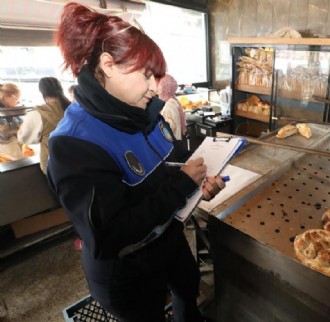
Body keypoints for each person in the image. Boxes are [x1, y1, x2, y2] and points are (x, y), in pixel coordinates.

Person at [47, 3, 225, 322]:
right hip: (126, 268)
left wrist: (197, 183)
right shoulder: (75, 144)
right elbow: (109, 235)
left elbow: (168, 164)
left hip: (167, 239)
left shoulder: (146, 113)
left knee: (188, 287)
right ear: (109, 65)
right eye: (147, 75)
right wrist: (183, 185)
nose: (156, 87)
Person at [18, 77, 71, 174]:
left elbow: (24, 138)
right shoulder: (73, 107)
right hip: (77, 158)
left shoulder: (38, 113)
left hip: (54, 163)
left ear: (42, 92)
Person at [158, 74, 186, 140]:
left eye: (158, 84)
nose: (154, 86)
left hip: (172, 145)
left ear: (165, 87)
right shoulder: (172, 101)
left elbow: (166, 132)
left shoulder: (168, 106)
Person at [0, 83, 24, 159]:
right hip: (6, 148)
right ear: (7, 97)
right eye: (16, 98)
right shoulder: (2, 113)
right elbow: (3, 130)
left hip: (16, 146)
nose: (18, 102)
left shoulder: (11, 110)